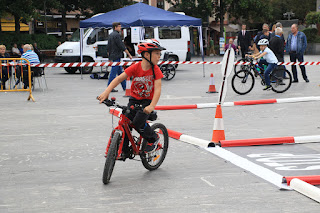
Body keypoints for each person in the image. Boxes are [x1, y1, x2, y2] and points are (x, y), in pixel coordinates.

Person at [97, 39, 165, 157]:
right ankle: (124, 150)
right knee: (126, 122)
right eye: (157, 53)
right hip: (134, 99)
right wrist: (106, 92)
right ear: (146, 54)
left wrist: (151, 106)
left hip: (146, 101)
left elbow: (158, 89)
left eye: (160, 54)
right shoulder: (135, 67)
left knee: (138, 122)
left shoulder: (155, 70)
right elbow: (119, 79)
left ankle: (153, 138)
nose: (159, 56)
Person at [107, 22, 133, 92]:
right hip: (117, 55)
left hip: (112, 55)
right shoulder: (117, 35)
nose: (120, 28)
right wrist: (129, 54)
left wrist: (109, 57)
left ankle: (125, 87)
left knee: (120, 73)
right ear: (115, 27)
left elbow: (108, 47)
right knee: (113, 72)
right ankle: (109, 87)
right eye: (119, 27)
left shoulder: (110, 35)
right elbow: (122, 46)